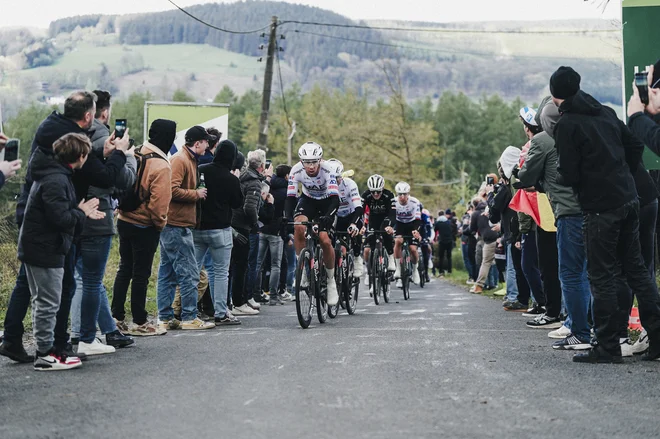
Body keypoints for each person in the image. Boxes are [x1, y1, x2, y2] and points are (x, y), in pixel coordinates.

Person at [1, 91, 129, 364]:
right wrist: (118, 153)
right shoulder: (71, 140)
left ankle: (16, 338)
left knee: (31, 282)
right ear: (88, 115)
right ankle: (53, 348)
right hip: (54, 215)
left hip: (38, 211)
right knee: (60, 285)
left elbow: (83, 163)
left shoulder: (53, 126)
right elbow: (104, 175)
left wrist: (99, 151)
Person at [551, 66, 660, 363]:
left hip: (599, 207)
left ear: (555, 95)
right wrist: (620, 169)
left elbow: (569, 173)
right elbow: (635, 143)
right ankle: (658, 338)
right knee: (637, 270)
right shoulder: (606, 112)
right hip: (629, 198)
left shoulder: (567, 125)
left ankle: (608, 346)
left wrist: (568, 178)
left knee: (601, 275)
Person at [18, 133, 103, 370]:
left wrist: (78, 211)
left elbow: (58, 211)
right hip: (45, 248)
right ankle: (45, 355)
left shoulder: (53, 174)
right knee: (47, 302)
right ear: (81, 155)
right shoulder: (56, 179)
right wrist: (81, 212)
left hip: (39, 246)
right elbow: (60, 218)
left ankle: (49, 350)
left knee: (43, 301)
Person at [515, 98, 590, 345]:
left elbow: (527, 176)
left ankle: (577, 329)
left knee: (569, 272)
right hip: (591, 207)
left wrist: (519, 176)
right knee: (589, 272)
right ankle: (588, 325)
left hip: (566, 210)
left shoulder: (542, 139)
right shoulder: (582, 131)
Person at [71, 90, 136, 355]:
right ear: (103, 112)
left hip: (71, 211)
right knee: (89, 280)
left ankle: (107, 330)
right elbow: (122, 180)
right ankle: (83, 336)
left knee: (80, 277)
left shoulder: (69, 135)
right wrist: (127, 155)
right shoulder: (103, 138)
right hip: (96, 214)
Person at [112, 119, 176, 336]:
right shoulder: (161, 165)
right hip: (144, 226)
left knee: (124, 269)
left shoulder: (135, 151)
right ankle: (140, 321)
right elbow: (159, 205)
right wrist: (160, 225)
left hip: (123, 218)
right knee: (141, 274)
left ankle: (117, 317)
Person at [156, 126, 216, 331]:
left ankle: (165, 317)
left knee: (167, 273)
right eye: (206, 142)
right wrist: (195, 194)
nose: (208, 146)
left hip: (173, 224)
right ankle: (189, 316)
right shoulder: (180, 160)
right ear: (197, 143)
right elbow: (170, 190)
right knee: (188, 271)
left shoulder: (188, 159)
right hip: (177, 225)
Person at [194, 139, 244, 325]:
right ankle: (221, 312)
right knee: (221, 272)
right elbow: (238, 203)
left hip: (198, 228)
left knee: (193, 270)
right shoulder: (230, 178)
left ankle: (189, 311)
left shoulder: (202, 169)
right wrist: (236, 181)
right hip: (221, 230)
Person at [285, 142, 340, 306]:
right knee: (298, 226)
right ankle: (302, 268)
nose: (310, 166)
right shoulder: (296, 170)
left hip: (327, 202)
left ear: (320, 160)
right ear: (301, 161)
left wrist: (329, 216)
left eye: (314, 162)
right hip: (308, 200)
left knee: (324, 240)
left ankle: (331, 281)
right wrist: (287, 217)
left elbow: (335, 199)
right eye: (307, 162)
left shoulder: (328, 169)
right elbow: (290, 198)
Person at [231, 149, 273, 315]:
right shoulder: (254, 182)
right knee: (242, 265)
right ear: (262, 166)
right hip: (243, 226)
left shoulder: (242, 177)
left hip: (234, 222)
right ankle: (239, 302)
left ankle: (236, 301)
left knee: (235, 266)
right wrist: (255, 222)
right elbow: (249, 207)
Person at [330, 159, 365, 279]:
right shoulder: (325, 186)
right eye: (333, 179)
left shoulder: (350, 184)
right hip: (336, 216)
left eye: (338, 178)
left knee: (355, 232)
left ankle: (356, 257)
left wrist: (354, 223)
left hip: (351, 214)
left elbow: (358, 207)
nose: (336, 181)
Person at [362, 174, 397, 294]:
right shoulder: (366, 195)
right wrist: (361, 226)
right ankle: (372, 277)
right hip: (373, 219)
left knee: (386, 234)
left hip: (386, 218)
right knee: (371, 245)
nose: (376, 194)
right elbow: (360, 211)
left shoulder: (389, 195)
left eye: (378, 191)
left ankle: (391, 258)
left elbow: (393, 213)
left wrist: (390, 226)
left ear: (382, 189)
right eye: (373, 192)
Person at [392, 181, 423, 287]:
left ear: (408, 194)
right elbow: (391, 218)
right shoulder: (394, 202)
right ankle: (398, 270)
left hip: (412, 224)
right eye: (399, 194)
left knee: (413, 249)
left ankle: (415, 270)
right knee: (398, 241)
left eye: (404, 194)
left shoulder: (415, 202)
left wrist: (416, 230)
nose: (402, 196)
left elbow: (418, 219)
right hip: (399, 224)